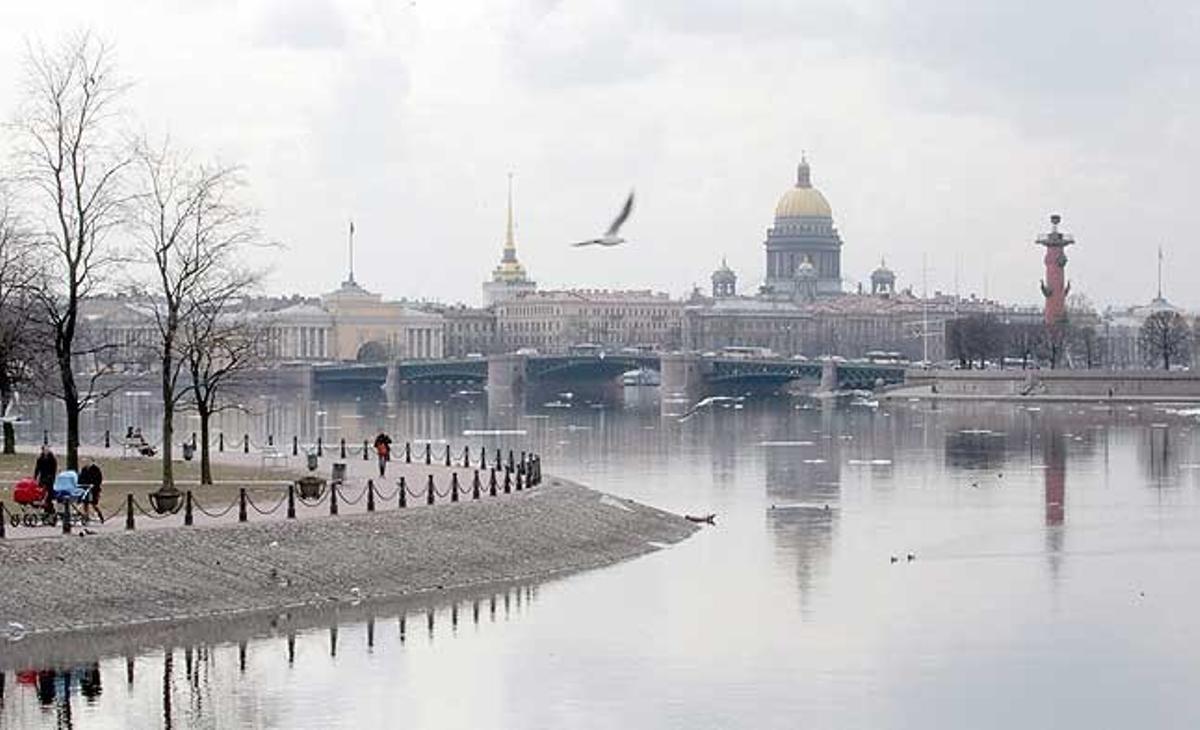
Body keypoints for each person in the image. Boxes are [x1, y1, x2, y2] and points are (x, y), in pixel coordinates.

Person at [79, 457, 105, 523]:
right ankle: (86, 516)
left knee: (94, 504)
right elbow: (81, 478)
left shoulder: (96, 469)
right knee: (85, 503)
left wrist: (94, 485)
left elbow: (99, 479)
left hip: (94, 489)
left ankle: (100, 515)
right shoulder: (84, 469)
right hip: (85, 488)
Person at [33, 445, 57, 514]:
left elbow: (54, 469)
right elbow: (37, 469)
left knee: (49, 494)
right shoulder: (40, 458)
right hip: (43, 477)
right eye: (45, 450)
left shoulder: (52, 458)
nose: (46, 451)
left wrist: (52, 477)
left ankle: (50, 509)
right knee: (42, 493)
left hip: (50, 478)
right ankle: (44, 507)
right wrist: (35, 477)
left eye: (47, 449)